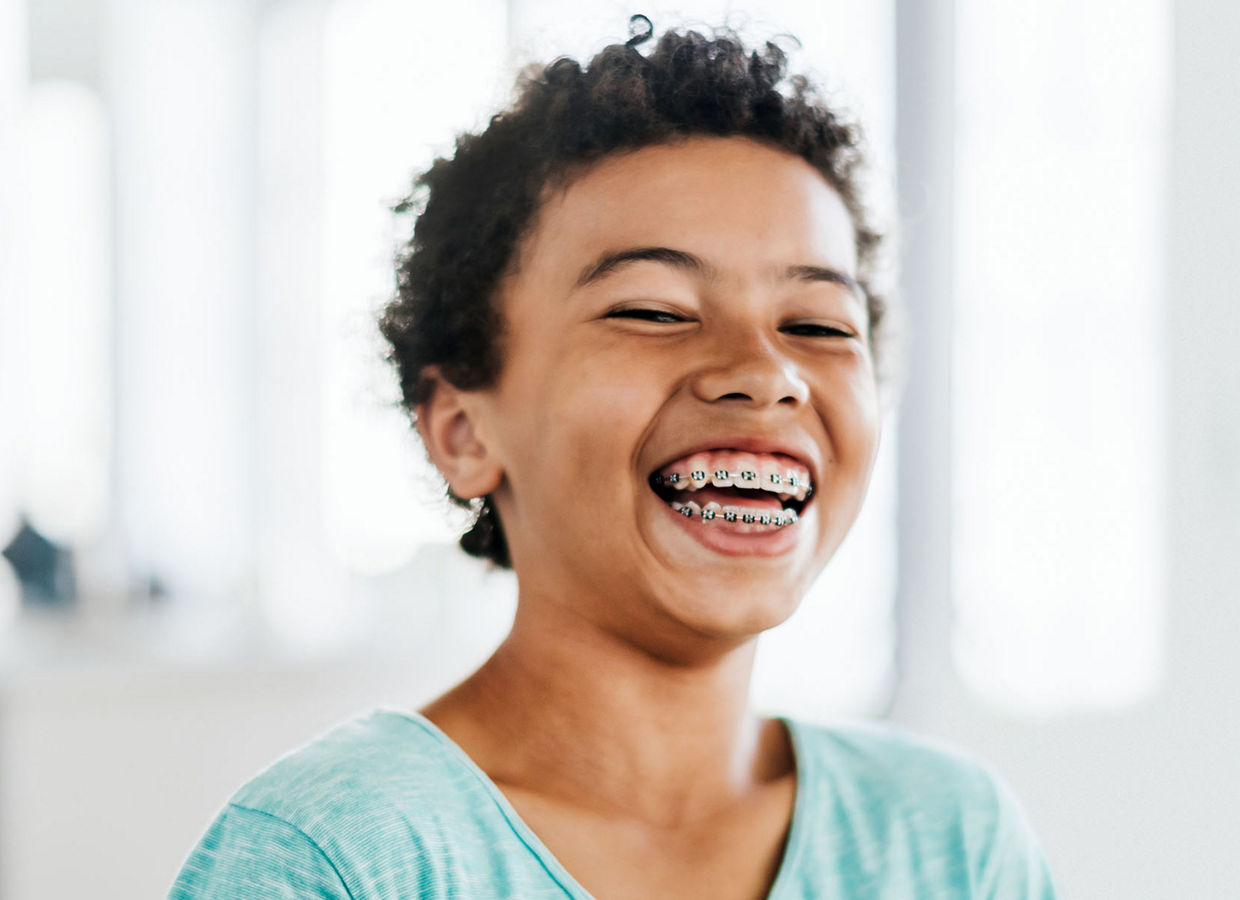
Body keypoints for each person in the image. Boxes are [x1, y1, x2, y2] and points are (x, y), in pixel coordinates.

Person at [171, 18, 1057, 899]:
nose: (764, 373)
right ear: (463, 432)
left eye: (818, 325)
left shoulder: (952, 841)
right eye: (654, 311)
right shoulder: (340, 857)